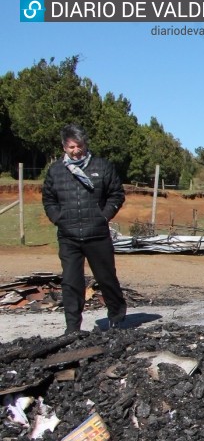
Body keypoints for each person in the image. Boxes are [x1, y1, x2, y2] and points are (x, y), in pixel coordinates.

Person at [42, 124, 127, 334]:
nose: (76, 151)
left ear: (85, 144)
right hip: (68, 236)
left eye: (79, 146)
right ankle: (72, 328)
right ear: (64, 147)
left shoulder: (102, 166)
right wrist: (57, 218)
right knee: (71, 282)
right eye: (71, 147)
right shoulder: (55, 171)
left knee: (106, 278)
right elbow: (48, 199)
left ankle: (116, 317)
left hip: (96, 234)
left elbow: (117, 194)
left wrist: (103, 216)